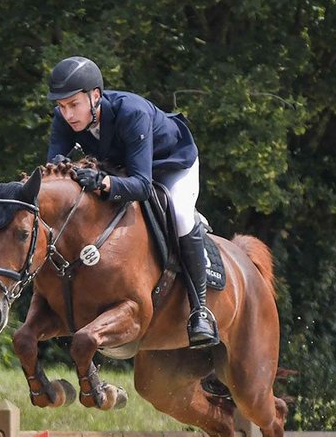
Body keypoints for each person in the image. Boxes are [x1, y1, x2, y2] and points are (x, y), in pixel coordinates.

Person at [45, 56, 219, 349]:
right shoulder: (63, 119)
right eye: (62, 106)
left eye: (74, 104)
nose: (68, 114)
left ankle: (200, 310)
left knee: (178, 213)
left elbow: (141, 186)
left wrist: (101, 182)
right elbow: (53, 167)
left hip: (172, 164)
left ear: (95, 96)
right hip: (124, 165)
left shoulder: (131, 112)